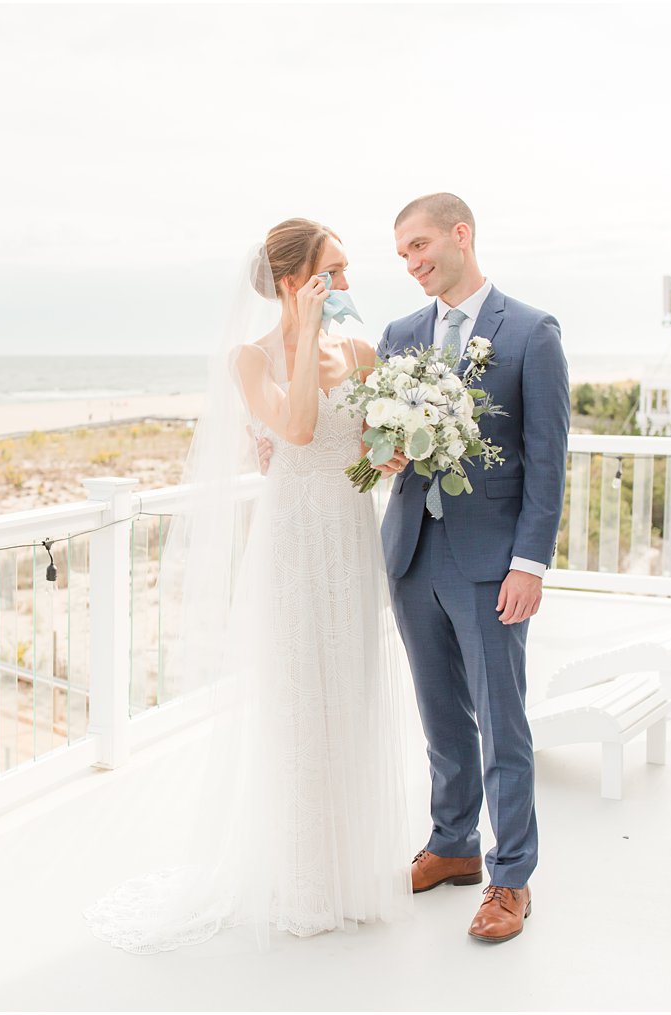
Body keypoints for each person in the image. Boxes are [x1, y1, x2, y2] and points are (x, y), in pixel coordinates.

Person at [84, 218, 418, 952]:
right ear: (297, 282)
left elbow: (364, 446)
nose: (349, 285)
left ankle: (354, 874)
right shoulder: (250, 359)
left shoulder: (362, 351)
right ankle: (305, 885)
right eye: (334, 271)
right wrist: (302, 343)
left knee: (352, 695)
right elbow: (297, 428)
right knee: (301, 703)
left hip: (350, 533)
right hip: (294, 540)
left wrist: (388, 453)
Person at [375, 193, 570, 943]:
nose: (413, 262)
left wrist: (530, 561)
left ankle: (511, 877)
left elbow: (548, 462)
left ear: (462, 234)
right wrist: (383, 448)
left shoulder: (530, 332)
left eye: (421, 245)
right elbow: (383, 438)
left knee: (501, 720)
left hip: (493, 563)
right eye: (401, 254)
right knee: (439, 717)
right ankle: (453, 843)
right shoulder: (399, 335)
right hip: (413, 555)